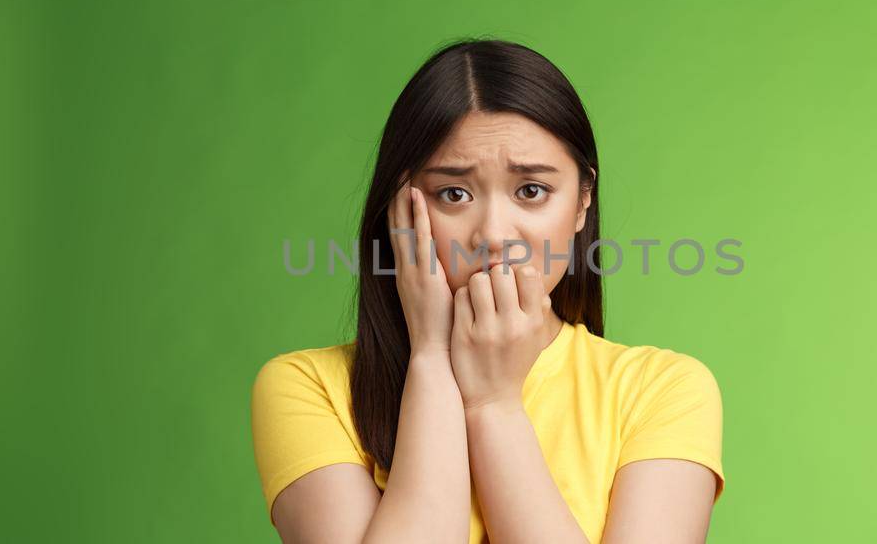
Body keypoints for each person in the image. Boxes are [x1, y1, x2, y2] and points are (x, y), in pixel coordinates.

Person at [251, 39, 724, 543]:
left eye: (531, 191)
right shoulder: (307, 388)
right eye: (453, 194)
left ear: (583, 201)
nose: (495, 234)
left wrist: (494, 406)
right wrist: (431, 359)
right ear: (399, 207)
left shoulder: (663, 391)